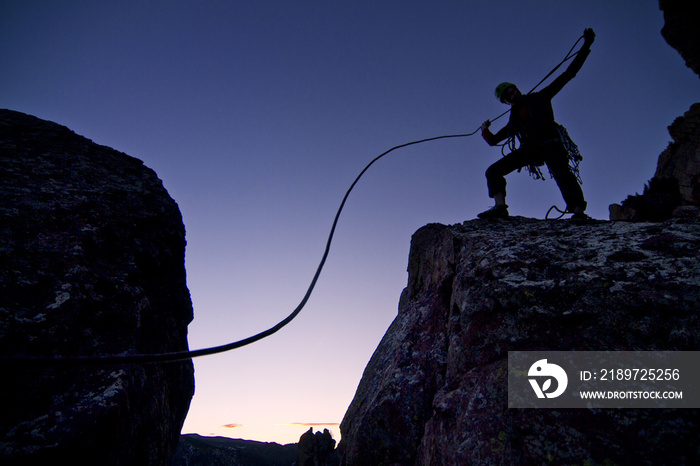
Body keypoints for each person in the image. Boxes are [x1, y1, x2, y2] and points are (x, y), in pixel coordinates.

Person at [478, 28, 596, 220]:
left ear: (517, 89)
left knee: (562, 173)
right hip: (530, 150)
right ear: (506, 102)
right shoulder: (514, 121)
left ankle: (578, 211)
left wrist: (586, 46)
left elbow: (568, 74)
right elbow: (493, 141)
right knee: (493, 171)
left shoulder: (539, 98)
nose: (512, 94)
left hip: (550, 142)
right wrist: (485, 130)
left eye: (512, 90)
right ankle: (500, 207)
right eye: (507, 96)